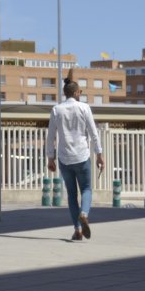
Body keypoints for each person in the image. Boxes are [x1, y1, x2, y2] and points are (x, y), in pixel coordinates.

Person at [46, 78, 104, 241]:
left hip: (65, 158)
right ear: (77, 93)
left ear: (65, 93)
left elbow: (50, 136)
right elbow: (94, 133)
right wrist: (99, 154)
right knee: (86, 189)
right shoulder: (84, 108)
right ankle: (84, 214)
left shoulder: (56, 109)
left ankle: (77, 230)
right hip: (82, 156)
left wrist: (50, 157)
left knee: (72, 194)